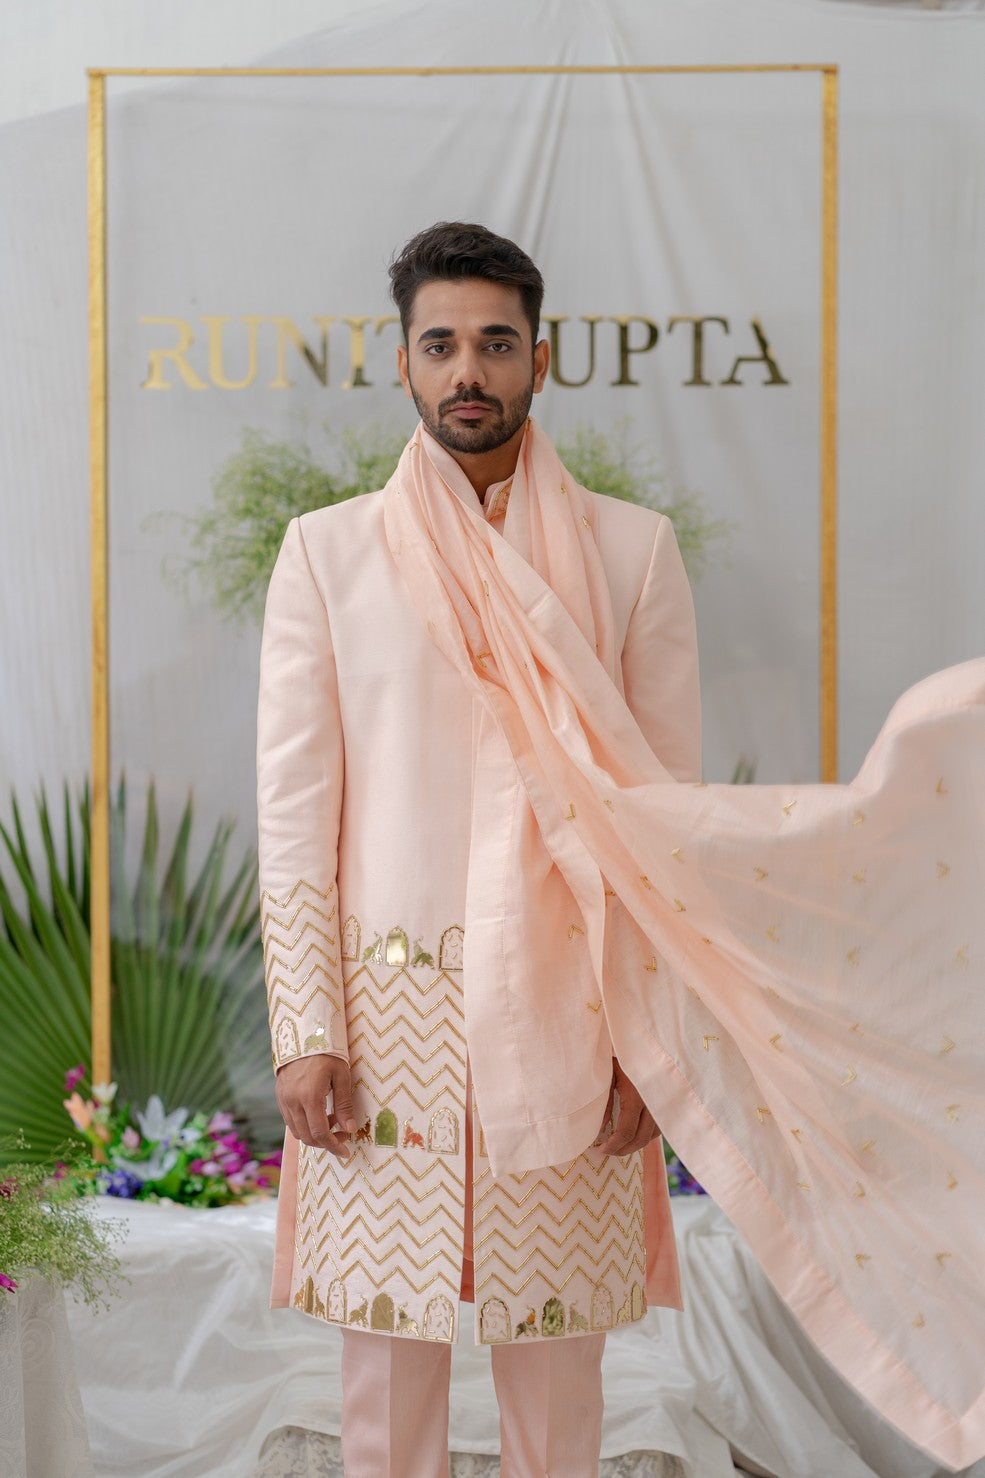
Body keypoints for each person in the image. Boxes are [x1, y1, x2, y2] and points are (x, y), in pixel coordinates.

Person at [257, 220, 701, 1475]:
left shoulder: (632, 554)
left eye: (494, 343)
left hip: (571, 1007)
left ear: (539, 359)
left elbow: (665, 828)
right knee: (384, 1376)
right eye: (441, 342)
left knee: (558, 1380)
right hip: (381, 1018)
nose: (469, 369)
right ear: (401, 363)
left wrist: (648, 1045)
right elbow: (294, 815)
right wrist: (308, 1028)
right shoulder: (328, 554)